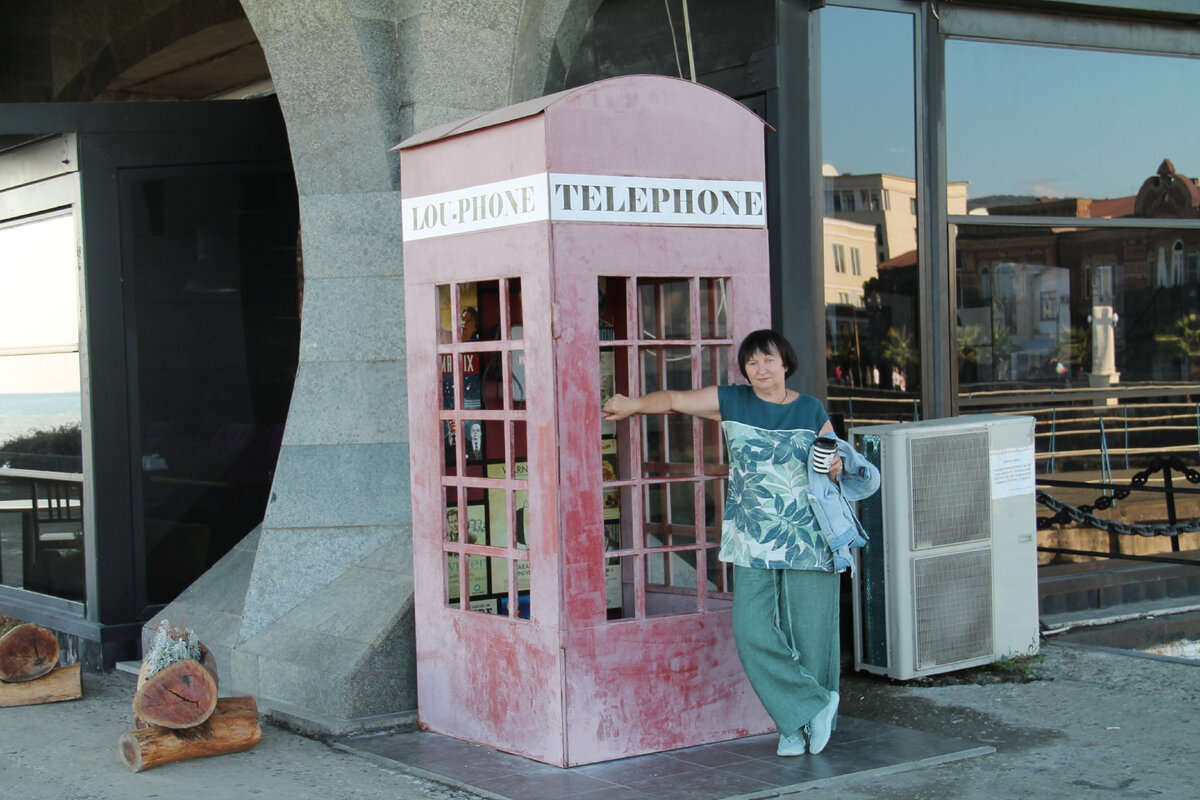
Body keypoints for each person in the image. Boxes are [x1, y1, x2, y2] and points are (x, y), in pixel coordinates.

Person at [601, 328, 879, 757]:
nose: (760, 369)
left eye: (768, 360)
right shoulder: (733, 401)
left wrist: (839, 464)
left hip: (808, 537)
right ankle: (806, 709)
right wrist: (632, 405)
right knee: (749, 630)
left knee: (810, 635)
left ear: (785, 363)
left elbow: (836, 465)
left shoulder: (810, 409)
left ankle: (797, 727)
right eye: (751, 363)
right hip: (752, 538)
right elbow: (674, 399)